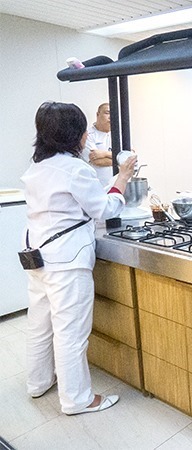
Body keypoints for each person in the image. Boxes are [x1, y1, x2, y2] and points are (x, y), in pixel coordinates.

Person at [21, 102, 137, 415]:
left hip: (38, 254)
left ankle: (38, 382)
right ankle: (77, 399)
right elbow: (106, 209)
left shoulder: (37, 167)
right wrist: (124, 176)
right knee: (70, 332)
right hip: (66, 259)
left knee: (40, 322)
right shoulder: (75, 169)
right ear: (77, 135)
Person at [82, 103, 113, 187]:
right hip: (97, 187)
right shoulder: (88, 135)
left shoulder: (120, 134)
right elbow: (97, 161)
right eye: (107, 113)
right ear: (98, 114)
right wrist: (120, 160)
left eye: (113, 113)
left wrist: (104, 154)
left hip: (118, 187)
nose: (111, 117)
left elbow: (129, 157)